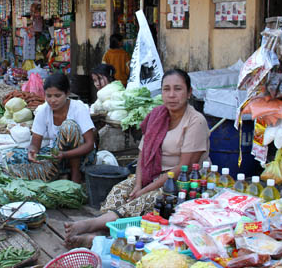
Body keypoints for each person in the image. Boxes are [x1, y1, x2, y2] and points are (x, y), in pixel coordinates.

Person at [64, 69, 210, 247]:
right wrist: (139, 184)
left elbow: (183, 167)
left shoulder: (196, 121)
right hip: (151, 176)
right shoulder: (157, 115)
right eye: (166, 89)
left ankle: (91, 226)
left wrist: (145, 190)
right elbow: (143, 154)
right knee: (120, 190)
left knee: (147, 200)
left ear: (189, 93)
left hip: (181, 182)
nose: (172, 95)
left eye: (178, 89)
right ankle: (102, 234)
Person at [28, 73, 96, 183]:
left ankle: (75, 175)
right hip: (56, 157)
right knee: (10, 156)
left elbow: (89, 144)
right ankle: (59, 173)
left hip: (82, 158)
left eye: (57, 95)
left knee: (69, 126)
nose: (52, 100)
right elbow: (35, 143)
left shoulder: (78, 108)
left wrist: (64, 154)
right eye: (48, 96)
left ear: (67, 93)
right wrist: (32, 151)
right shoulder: (42, 110)